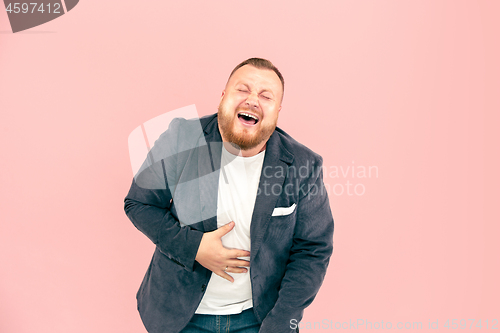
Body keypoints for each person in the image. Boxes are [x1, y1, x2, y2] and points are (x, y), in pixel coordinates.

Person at [124, 58, 334, 333]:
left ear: (277, 111)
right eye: (242, 89)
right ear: (223, 97)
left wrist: (281, 322)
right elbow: (140, 203)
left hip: (260, 320)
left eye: (265, 95)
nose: (252, 100)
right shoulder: (182, 138)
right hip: (180, 317)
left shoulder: (303, 165)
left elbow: (313, 248)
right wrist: (194, 247)